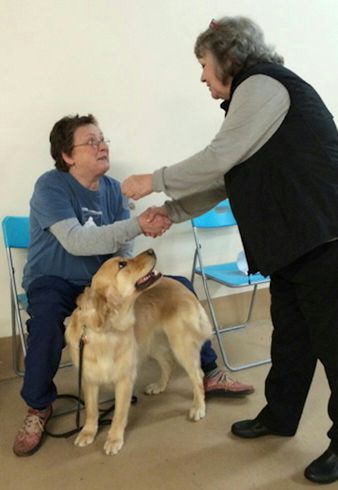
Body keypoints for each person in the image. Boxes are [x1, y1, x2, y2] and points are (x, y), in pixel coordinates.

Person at [121, 16, 338, 485]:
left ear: (227, 57)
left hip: (325, 235)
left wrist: (152, 180)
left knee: (334, 346)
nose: (202, 76)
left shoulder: (262, 85)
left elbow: (218, 158)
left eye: (203, 63)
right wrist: (172, 210)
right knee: (292, 339)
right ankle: (280, 416)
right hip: (294, 243)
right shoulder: (251, 102)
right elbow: (225, 177)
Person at [13, 114, 253, 458]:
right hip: (55, 279)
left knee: (179, 286)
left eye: (102, 139)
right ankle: (38, 407)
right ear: (67, 156)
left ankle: (209, 371)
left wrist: (132, 278)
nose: (102, 146)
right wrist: (138, 225)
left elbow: (123, 252)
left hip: (106, 281)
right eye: (91, 141)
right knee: (47, 322)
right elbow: (77, 242)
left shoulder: (113, 189)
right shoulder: (50, 186)